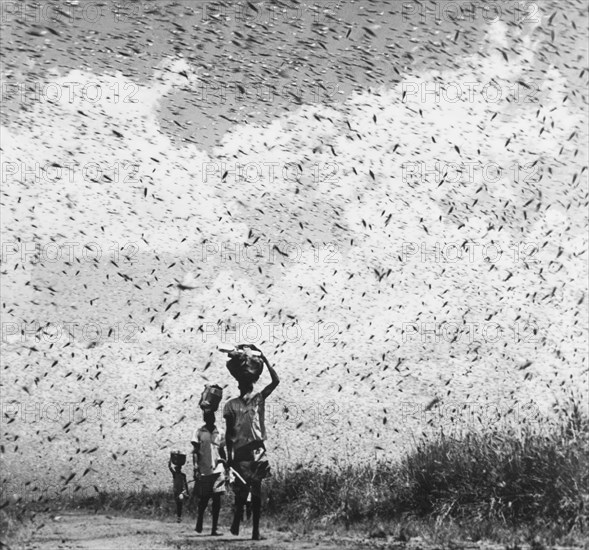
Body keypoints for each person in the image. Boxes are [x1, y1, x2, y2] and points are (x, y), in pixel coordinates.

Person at [224, 345, 279, 540]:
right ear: (239, 383)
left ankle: (255, 531)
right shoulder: (231, 405)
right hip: (241, 452)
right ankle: (237, 520)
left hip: (257, 450)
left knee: (256, 490)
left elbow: (276, 381)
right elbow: (229, 434)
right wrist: (229, 458)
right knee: (242, 492)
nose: (248, 385)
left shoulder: (258, 399)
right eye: (244, 382)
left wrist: (264, 356)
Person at [192, 410, 226, 536]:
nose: (209, 418)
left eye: (211, 416)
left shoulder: (220, 432)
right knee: (204, 499)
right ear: (204, 418)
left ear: (214, 417)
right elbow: (195, 451)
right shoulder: (199, 432)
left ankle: (214, 528)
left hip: (218, 470)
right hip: (204, 469)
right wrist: (195, 467)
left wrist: (226, 463)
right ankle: (199, 522)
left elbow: (222, 450)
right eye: (207, 416)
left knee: (217, 499)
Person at [168, 454, 189, 523]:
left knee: (180, 501)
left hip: (181, 491)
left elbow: (185, 483)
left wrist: (187, 492)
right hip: (176, 491)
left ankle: (179, 517)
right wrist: (170, 459)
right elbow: (169, 467)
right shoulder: (174, 474)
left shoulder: (183, 475)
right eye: (176, 468)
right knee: (178, 504)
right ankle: (179, 517)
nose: (177, 469)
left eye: (178, 468)